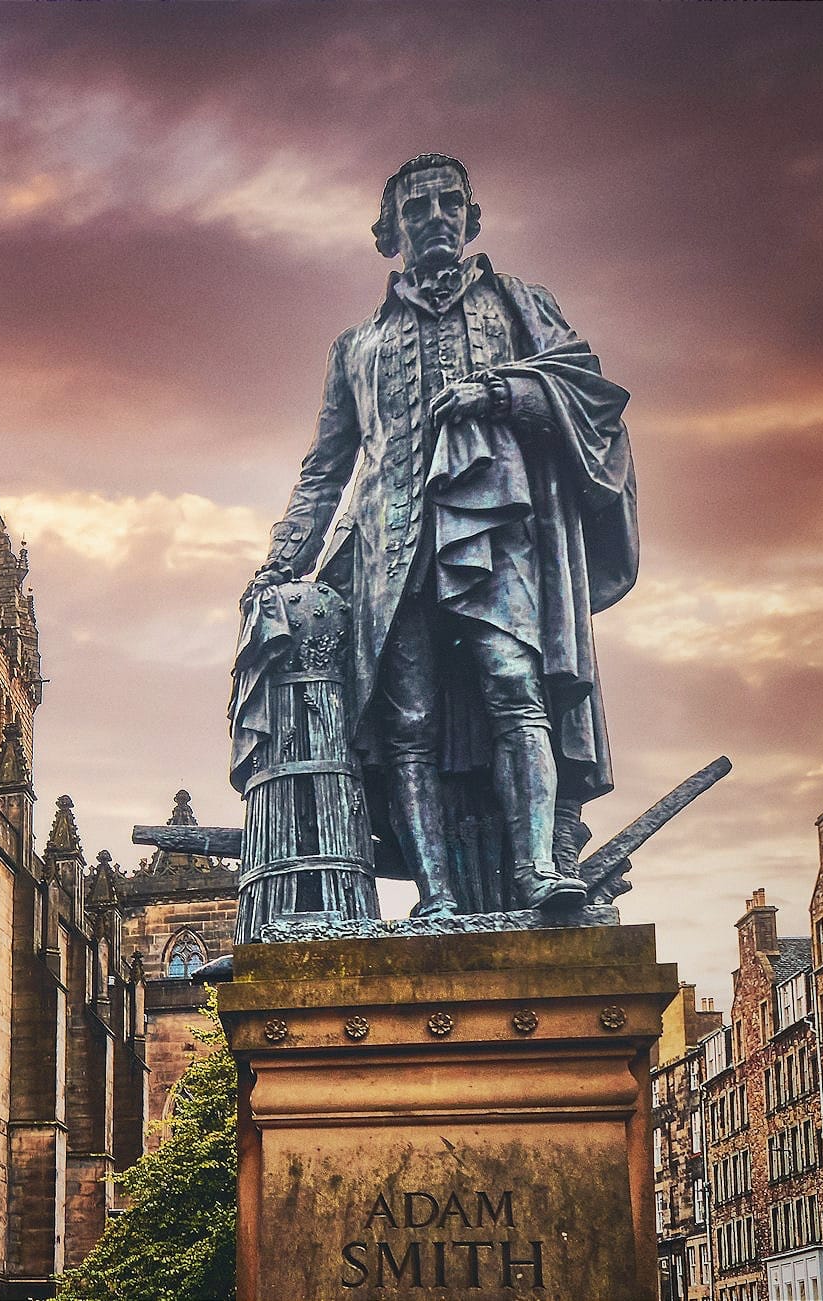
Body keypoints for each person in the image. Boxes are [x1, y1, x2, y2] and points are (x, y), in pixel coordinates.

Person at [237, 153, 638, 915]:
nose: (435, 218)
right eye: (416, 208)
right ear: (390, 232)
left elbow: (589, 392)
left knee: (515, 687)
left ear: (470, 216)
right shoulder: (356, 346)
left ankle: (538, 874)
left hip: (497, 525)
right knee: (407, 723)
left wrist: (503, 390)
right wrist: (279, 563)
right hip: (388, 549)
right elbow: (325, 471)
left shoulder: (521, 305)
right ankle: (437, 897)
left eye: (449, 203)